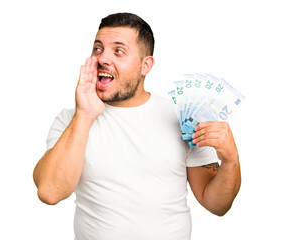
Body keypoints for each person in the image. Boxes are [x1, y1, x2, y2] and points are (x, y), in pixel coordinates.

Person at [33, 12, 241, 240]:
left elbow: (216, 205)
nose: (102, 58)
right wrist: (84, 115)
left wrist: (230, 160)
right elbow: (50, 192)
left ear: (145, 65)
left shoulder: (183, 117)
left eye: (118, 51)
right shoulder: (70, 120)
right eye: (98, 48)